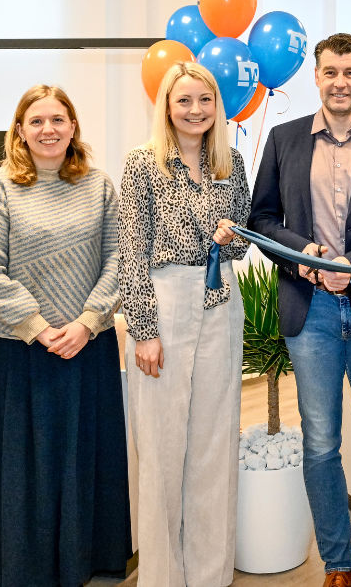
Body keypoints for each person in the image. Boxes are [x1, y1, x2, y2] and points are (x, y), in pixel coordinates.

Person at [249, 33, 351, 587]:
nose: (340, 82)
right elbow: (264, 220)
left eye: (350, 71)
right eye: (330, 72)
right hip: (309, 311)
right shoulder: (283, 140)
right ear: (316, 78)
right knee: (321, 443)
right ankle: (338, 564)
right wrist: (306, 256)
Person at [0, 84, 131, 586]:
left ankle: (85, 558)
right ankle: (21, 565)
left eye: (58, 119)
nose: (48, 129)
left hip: (88, 345)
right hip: (21, 351)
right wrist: (38, 328)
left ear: (73, 127)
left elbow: (119, 259)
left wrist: (86, 322)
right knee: (23, 463)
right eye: (36, 121)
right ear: (19, 130)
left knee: (83, 456)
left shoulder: (99, 186)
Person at [118, 61, 251, 587]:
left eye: (205, 100)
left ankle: (210, 574)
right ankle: (163, 577)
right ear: (167, 108)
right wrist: (144, 330)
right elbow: (130, 252)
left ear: (217, 106)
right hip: (164, 299)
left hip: (221, 299)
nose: (195, 111)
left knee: (215, 443)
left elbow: (244, 240)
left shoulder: (232, 163)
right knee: (160, 447)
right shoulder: (142, 163)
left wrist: (230, 238)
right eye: (184, 101)